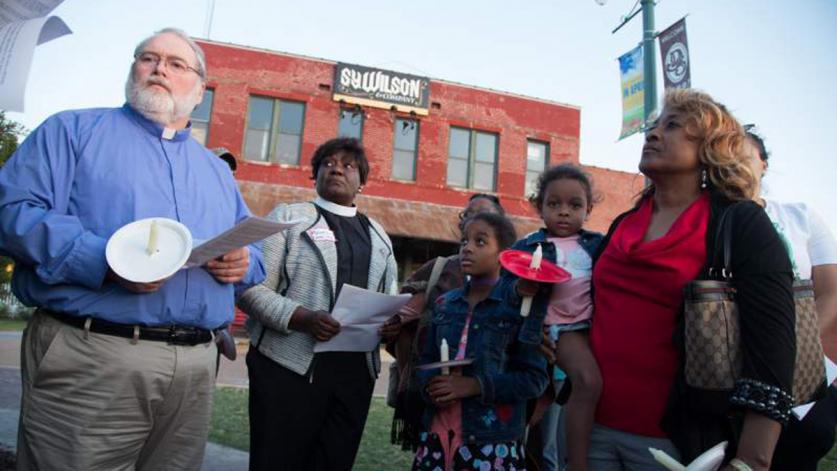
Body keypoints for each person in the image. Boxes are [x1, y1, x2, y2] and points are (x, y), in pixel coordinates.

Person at [0, 28, 265, 471]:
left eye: (176, 64)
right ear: (132, 70)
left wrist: (245, 261)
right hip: (94, 356)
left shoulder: (215, 171)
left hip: (196, 367)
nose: (159, 67)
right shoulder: (71, 131)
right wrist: (104, 260)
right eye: (148, 58)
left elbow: (249, 246)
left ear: (199, 90)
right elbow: (12, 211)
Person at [589, 89, 795, 470]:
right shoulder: (621, 225)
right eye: (653, 125)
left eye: (672, 126)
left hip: (680, 445)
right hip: (593, 432)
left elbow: (774, 349)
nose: (652, 134)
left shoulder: (740, 224)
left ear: (711, 147)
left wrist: (752, 460)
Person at [237, 137, 399, 471]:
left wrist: (391, 323)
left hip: (354, 375)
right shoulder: (289, 217)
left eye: (348, 164)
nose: (337, 168)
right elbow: (251, 288)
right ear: (315, 175)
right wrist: (302, 318)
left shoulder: (380, 235)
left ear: (362, 181)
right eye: (328, 163)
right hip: (287, 368)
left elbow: (390, 299)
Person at [413, 212, 549, 470]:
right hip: (437, 437)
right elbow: (426, 360)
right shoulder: (445, 304)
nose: (468, 249)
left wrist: (475, 385)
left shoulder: (519, 310)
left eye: (480, 242)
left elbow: (534, 380)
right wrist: (431, 386)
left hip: (490, 440)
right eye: (464, 241)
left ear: (504, 254)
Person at [742, 127, 837, 470]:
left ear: (763, 164)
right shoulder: (709, 220)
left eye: (744, 154)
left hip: (803, 371)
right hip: (732, 375)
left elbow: (831, 292)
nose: (734, 162)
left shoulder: (801, 216)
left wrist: (792, 350)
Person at [389, 193, 505, 450]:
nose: (474, 221)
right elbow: (404, 319)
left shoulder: (513, 281)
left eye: (485, 216)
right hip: (435, 396)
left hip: (490, 405)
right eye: (468, 215)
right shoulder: (439, 269)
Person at [515, 163, 604, 471]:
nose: (564, 212)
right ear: (540, 207)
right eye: (554, 204)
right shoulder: (527, 246)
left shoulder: (599, 246)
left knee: (582, 391)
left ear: (589, 208)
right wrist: (520, 287)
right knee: (538, 405)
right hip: (548, 330)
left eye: (574, 204)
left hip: (587, 331)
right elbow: (504, 291)